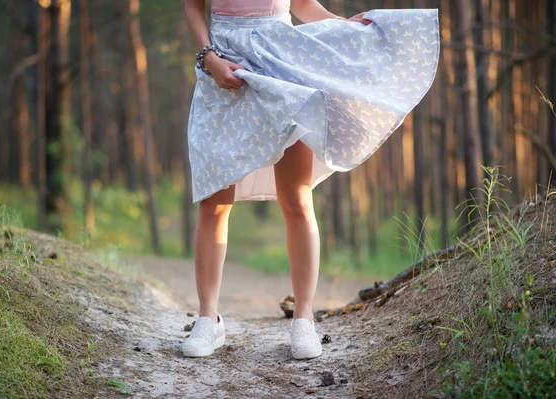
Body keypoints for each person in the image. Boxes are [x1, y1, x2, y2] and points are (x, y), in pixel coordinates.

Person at [182, 0, 439, 359]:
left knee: (296, 197)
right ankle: (208, 319)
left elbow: (301, 3)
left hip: (282, 66)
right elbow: (193, 7)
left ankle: (303, 319)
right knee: (214, 203)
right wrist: (209, 58)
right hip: (223, 72)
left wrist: (342, 26)